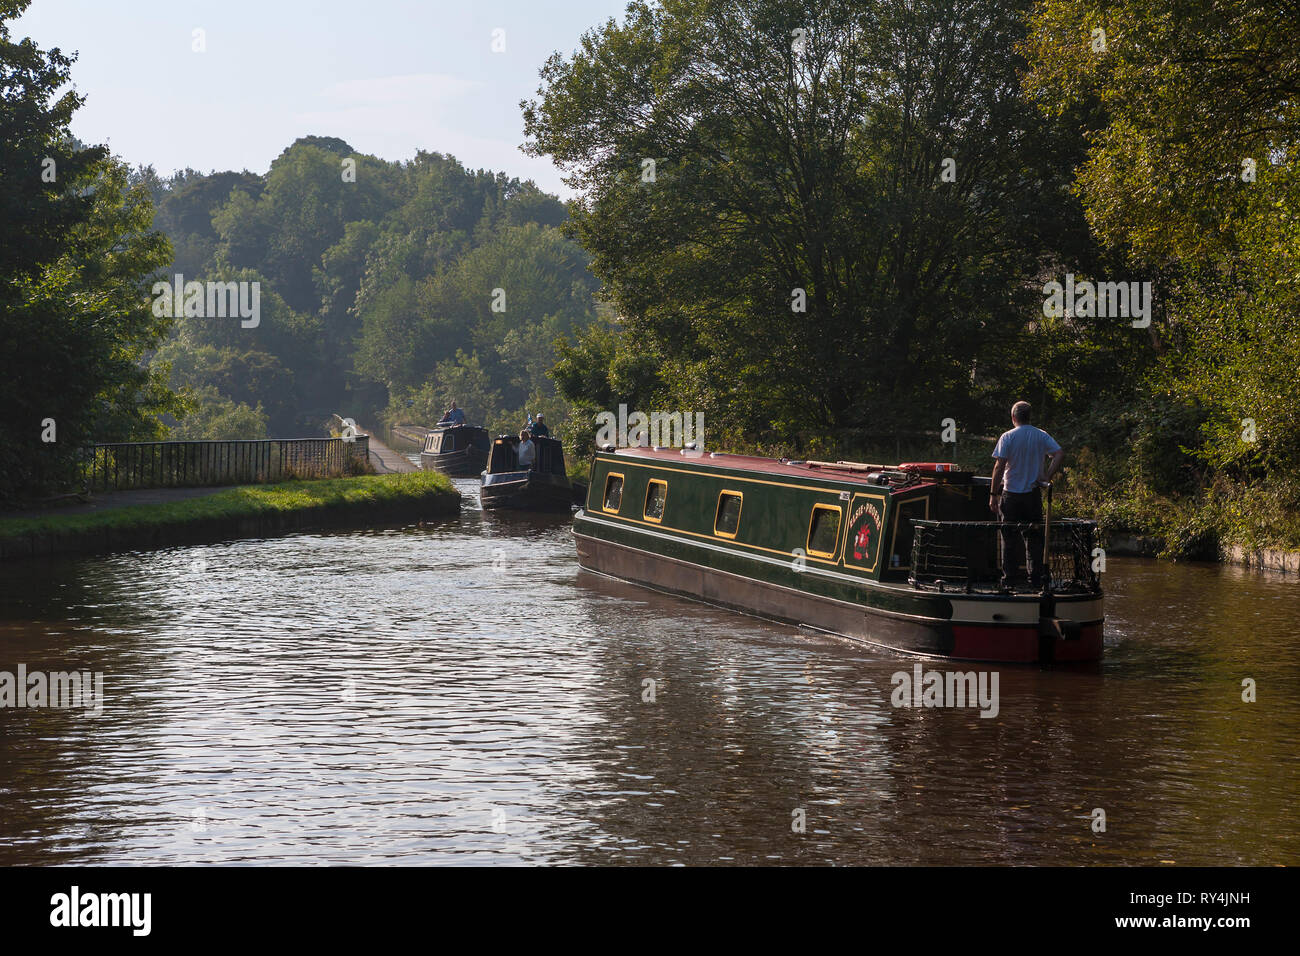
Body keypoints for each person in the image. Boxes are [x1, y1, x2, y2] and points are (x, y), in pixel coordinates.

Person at [989, 401, 1065, 588]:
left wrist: (993, 494)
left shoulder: (1007, 437)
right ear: (1029, 417)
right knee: (1034, 540)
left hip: (1011, 495)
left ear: (1013, 417)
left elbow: (999, 466)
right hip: (1033, 495)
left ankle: (1009, 582)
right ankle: (1036, 581)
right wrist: (1047, 476)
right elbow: (1059, 453)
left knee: (1009, 540)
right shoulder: (1041, 435)